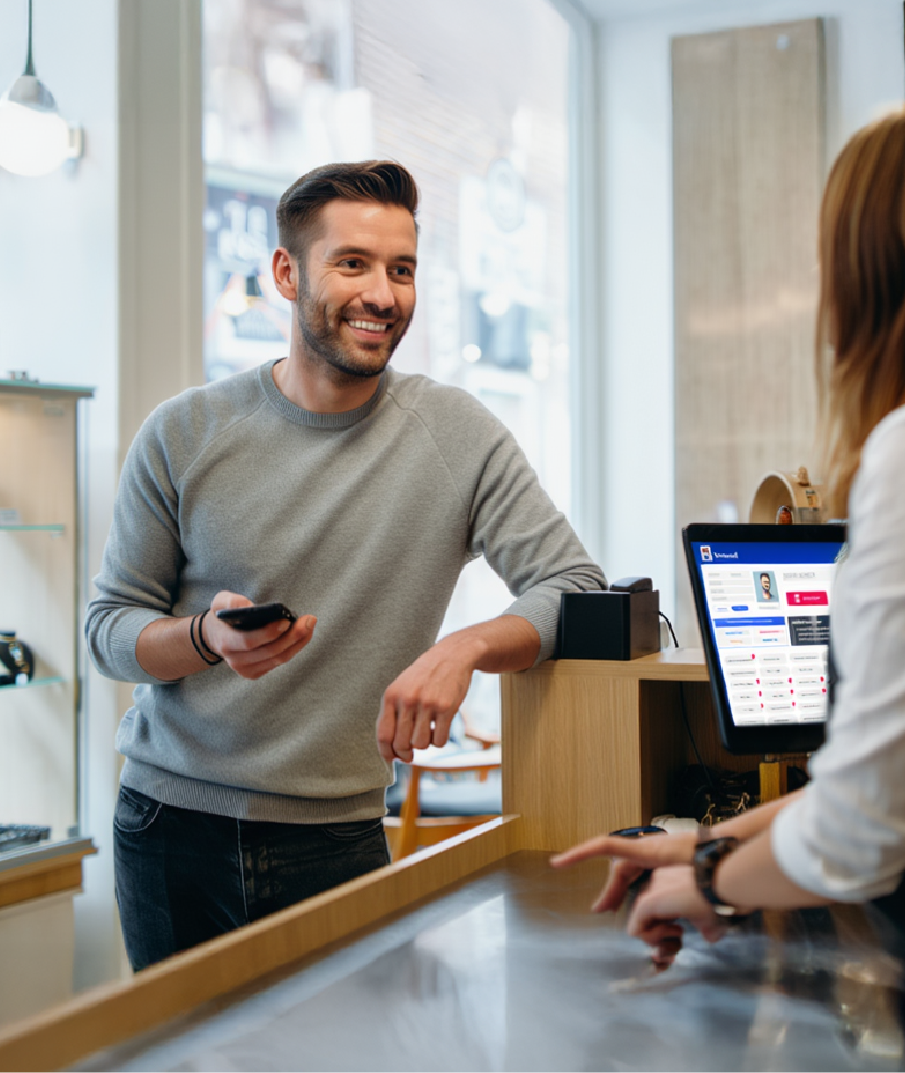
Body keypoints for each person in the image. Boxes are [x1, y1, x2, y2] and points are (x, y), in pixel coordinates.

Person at [553, 96, 905, 1073]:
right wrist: (705, 846)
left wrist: (705, 883)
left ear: (878, 266)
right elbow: (903, 772)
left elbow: (866, 823)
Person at [86, 159, 606, 972]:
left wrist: (461, 648)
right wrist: (202, 637)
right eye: (353, 263)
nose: (383, 294)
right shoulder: (183, 432)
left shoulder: (457, 436)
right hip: (166, 827)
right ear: (287, 273)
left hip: (337, 837)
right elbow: (109, 630)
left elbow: (576, 588)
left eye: (401, 269)